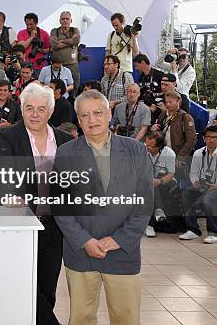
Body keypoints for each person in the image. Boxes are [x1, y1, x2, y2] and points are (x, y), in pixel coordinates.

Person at [52, 90, 152, 325]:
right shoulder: (66, 153)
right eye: (84, 115)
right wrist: (85, 240)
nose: (92, 120)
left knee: (125, 318)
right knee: (81, 318)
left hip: (122, 251)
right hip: (81, 252)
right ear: (78, 119)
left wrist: (118, 239)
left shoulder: (135, 151)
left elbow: (144, 202)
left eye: (98, 112)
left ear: (109, 114)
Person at [0, 82, 74, 325]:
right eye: (29, 108)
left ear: (50, 112)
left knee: (47, 288)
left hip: (54, 227)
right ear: (22, 109)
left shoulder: (64, 140)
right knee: (25, 287)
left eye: (41, 109)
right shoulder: (8, 136)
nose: (35, 114)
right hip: (22, 226)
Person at [180, 126, 217, 243]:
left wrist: (215, 186)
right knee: (186, 194)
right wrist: (195, 182)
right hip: (202, 184)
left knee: (207, 199)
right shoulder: (198, 153)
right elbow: (193, 172)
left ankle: (213, 232)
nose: (211, 140)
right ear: (204, 138)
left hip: (215, 186)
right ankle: (193, 230)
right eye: (208, 137)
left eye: (214, 137)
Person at [150, 91, 197, 174]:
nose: (167, 104)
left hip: (176, 155)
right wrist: (153, 129)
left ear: (178, 102)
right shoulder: (162, 115)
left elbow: (192, 140)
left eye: (170, 102)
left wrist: (181, 156)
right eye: (166, 102)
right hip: (162, 154)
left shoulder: (186, 117)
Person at [144, 131, 177, 238]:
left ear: (160, 146)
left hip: (165, 181)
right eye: (146, 144)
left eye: (151, 146)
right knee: (151, 187)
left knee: (153, 187)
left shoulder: (169, 153)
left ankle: (149, 225)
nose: (147, 147)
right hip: (147, 183)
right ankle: (159, 211)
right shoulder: (141, 150)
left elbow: (171, 174)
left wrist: (159, 181)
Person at [50, 11, 81, 93]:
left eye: (67, 19)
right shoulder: (54, 31)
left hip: (72, 64)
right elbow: (54, 45)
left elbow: (76, 40)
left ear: (71, 20)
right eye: (63, 19)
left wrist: (62, 41)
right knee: (57, 87)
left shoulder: (75, 30)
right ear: (59, 20)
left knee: (74, 86)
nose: (65, 21)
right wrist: (70, 42)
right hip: (58, 65)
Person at [156, 47, 195, 113]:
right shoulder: (174, 65)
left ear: (188, 57)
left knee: (179, 121)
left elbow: (180, 88)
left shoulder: (191, 72)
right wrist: (167, 52)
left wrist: (174, 71)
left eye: (184, 56)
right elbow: (158, 63)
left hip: (181, 101)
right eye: (179, 56)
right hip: (170, 97)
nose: (182, 59)